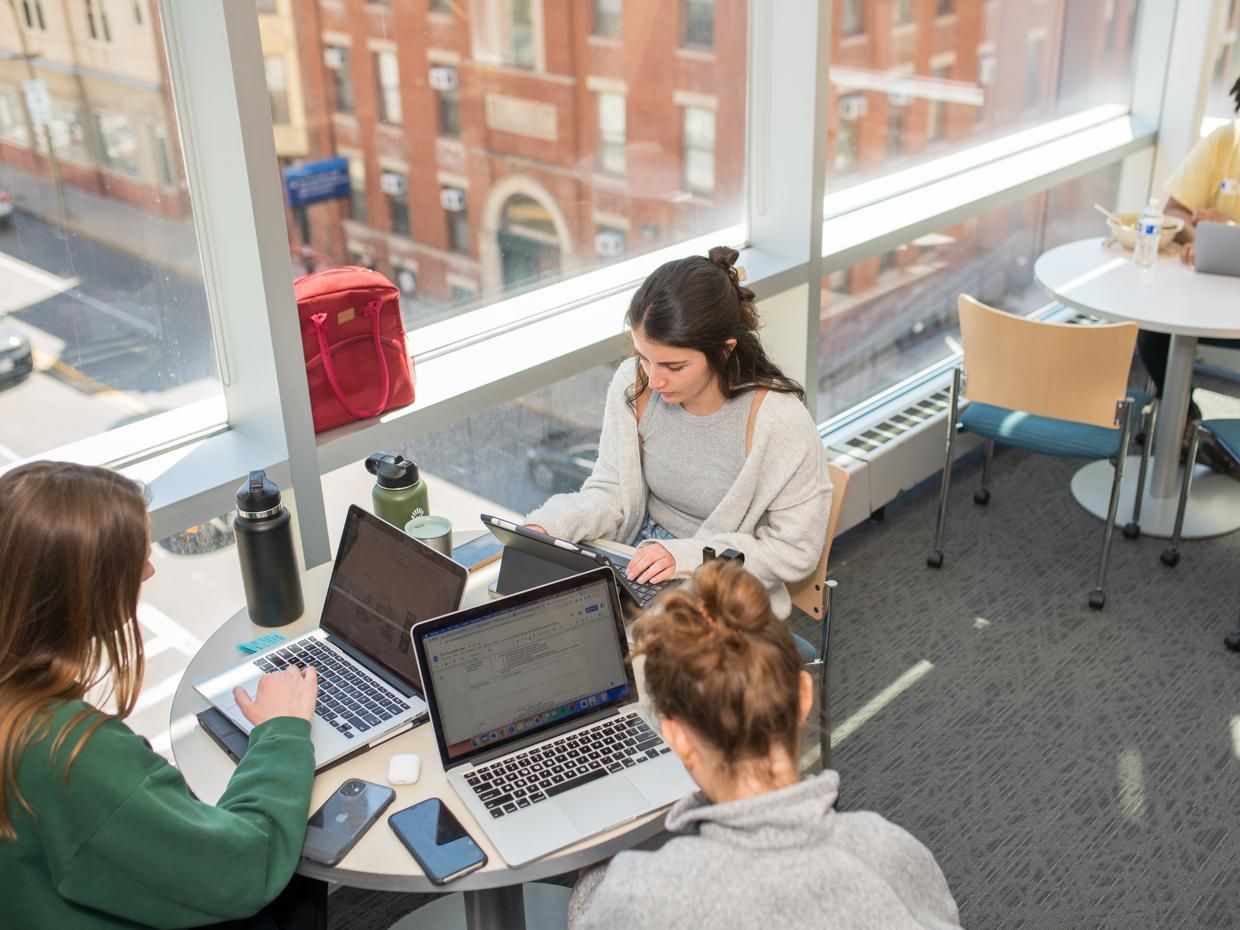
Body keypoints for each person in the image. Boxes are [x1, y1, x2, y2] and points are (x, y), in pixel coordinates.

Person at [0, 461, 322, 929]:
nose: (149, 571)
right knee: (304, 880)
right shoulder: (68, 753)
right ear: (81, 593)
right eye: (132, 561)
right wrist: (281, 733)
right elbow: (246, 867)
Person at [566, 560, 963, 930]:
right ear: (803, 695)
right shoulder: (892, 852)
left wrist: (594, 870)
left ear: (678, 737)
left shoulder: (640, 894)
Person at [525, 246, 833, 653]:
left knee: (626, 669)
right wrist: (549, 527)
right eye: (643, 358)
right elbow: (611, 491)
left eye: (673, 366)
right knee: (547, 639)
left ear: (723, 351)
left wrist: (685, 557)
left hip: (723, 583)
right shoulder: (633, 385)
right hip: (642, 561)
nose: (654, 380)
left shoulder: (778, 421)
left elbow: (794, 552)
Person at [1136, 73, 1240, 439]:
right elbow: (1175, 211)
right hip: (1209, 298)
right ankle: (1183, 414)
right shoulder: (1225, 143)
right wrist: (1203, 239)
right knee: (1155, 329)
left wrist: (1225, 227)